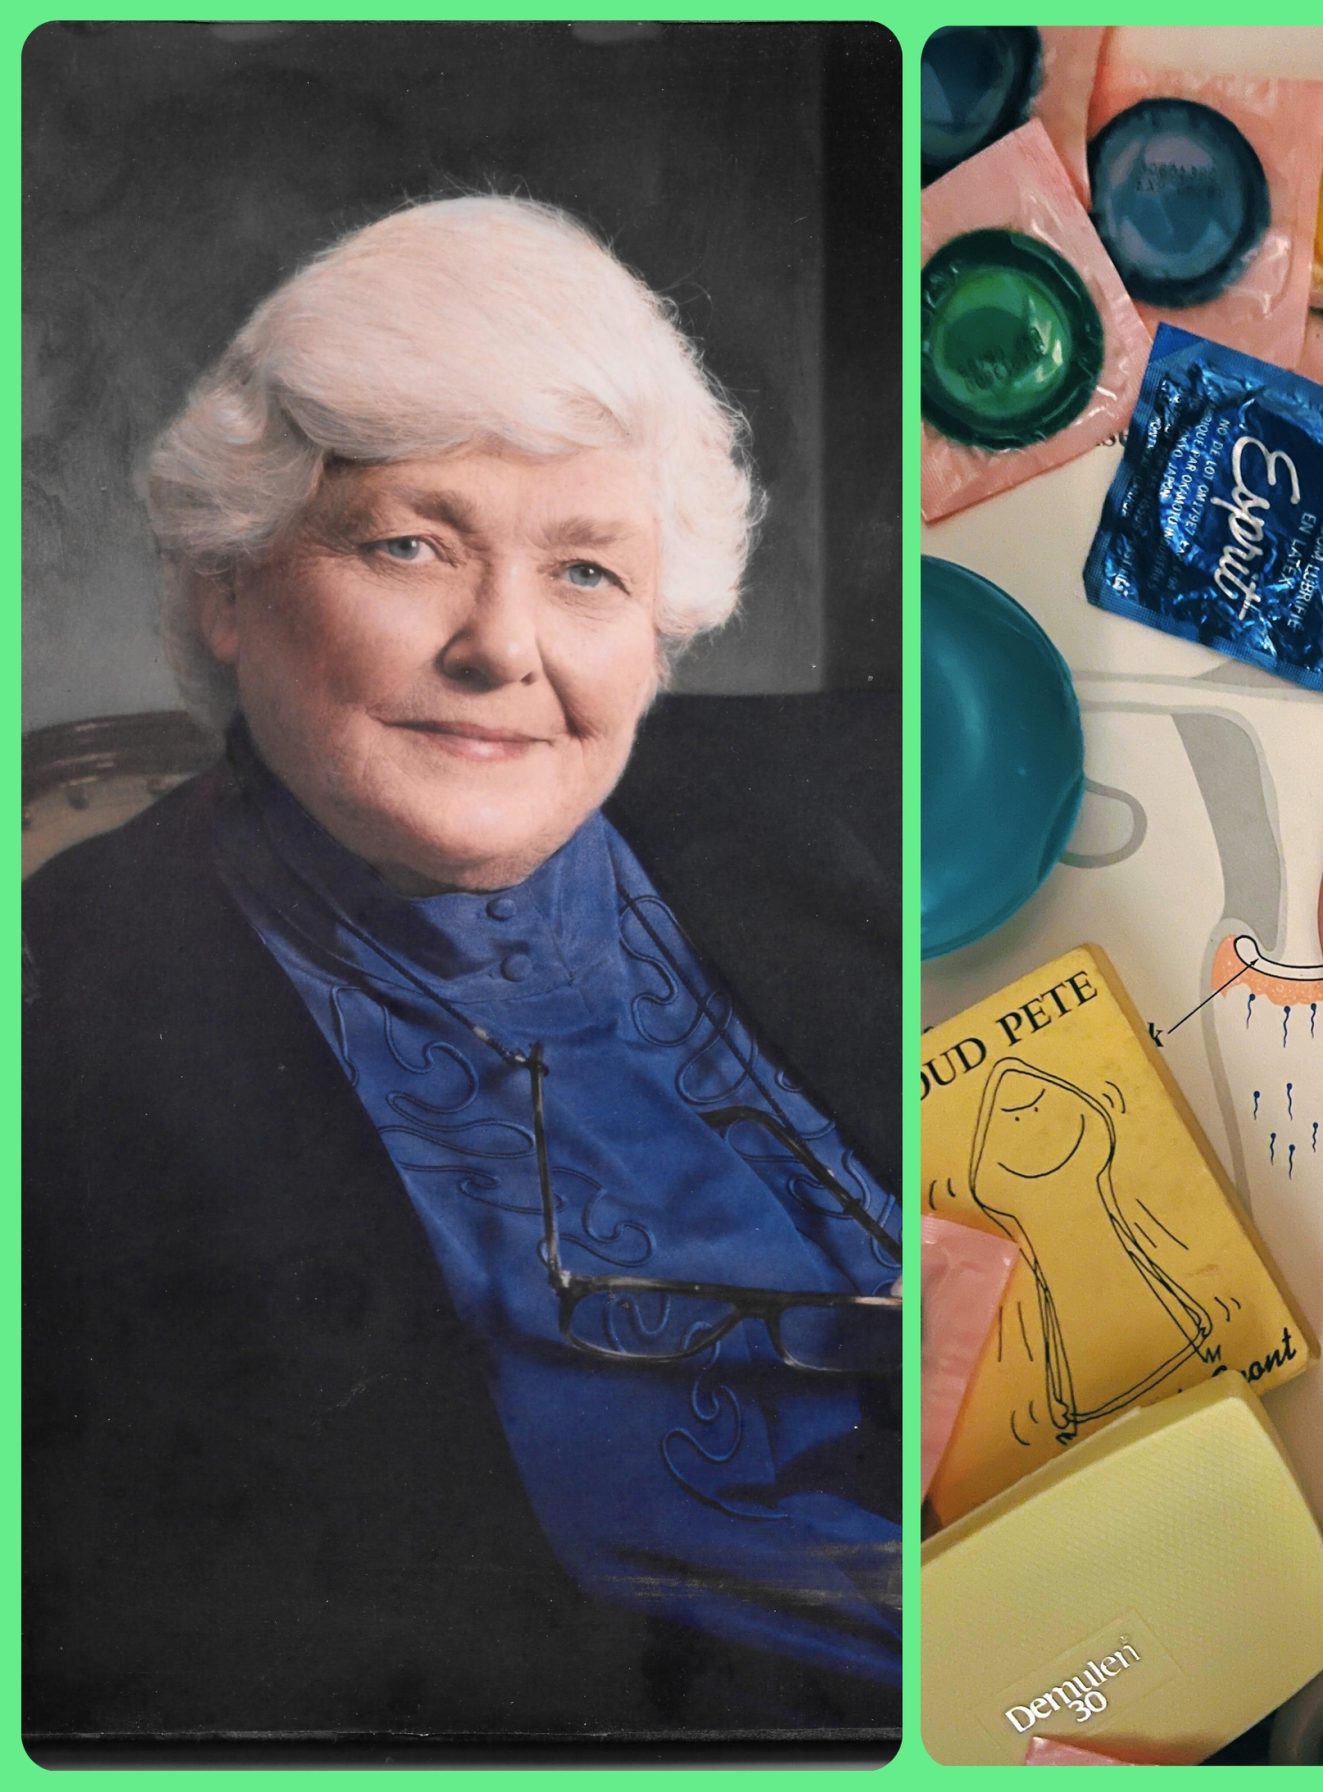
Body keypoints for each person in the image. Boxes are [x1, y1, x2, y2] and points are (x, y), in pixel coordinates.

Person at [21, 196, 903, 1746]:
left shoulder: (850, 796)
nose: (504, 645)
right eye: (410, 544)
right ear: (230, 585)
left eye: (586, 572)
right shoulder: (61, 1020)